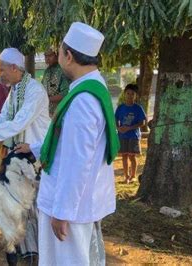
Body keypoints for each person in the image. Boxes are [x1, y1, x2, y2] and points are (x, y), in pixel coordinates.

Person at [16, 22, 119, 265]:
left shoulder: (82, 100)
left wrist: (61, 213)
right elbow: (69, 142)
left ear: (68, 56)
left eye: (59, 51)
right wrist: (36, 148)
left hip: (69, 206)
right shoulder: (95, 87)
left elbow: (77, 162)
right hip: (79, 200)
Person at [0, 48, 50, 259]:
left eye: (2, 69)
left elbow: (17, 124)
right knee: (22, 203)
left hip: (36, 154)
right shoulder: (15, 90)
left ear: (15, 68)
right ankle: (29, 249)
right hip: (20, 155)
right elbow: (3, 118)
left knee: (38, 204)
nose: (0, 73)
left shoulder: (34, 91)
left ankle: (45, 252)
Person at [115, 84, 146, 184]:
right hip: (122, 135)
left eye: (132, 94)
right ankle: (126, 176)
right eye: (128, 93)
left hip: (133, 136)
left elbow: (142, 122)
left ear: (135, 96)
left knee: (132, 156)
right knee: (124, 156)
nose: (130, 96)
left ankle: (133, 176)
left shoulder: (138, 108)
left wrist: (129, 128)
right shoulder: (120, 108)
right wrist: (118, 128)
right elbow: (115, 119)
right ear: (125, 94)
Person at [42, 48, 70, 116]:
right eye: (46, 56)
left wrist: (47, 99)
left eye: (50, 56)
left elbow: (65, 94)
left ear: (57, 55)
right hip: (47, 113)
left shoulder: (62, 71)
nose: (47, 58)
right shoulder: (47, 71)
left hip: (59, 113)